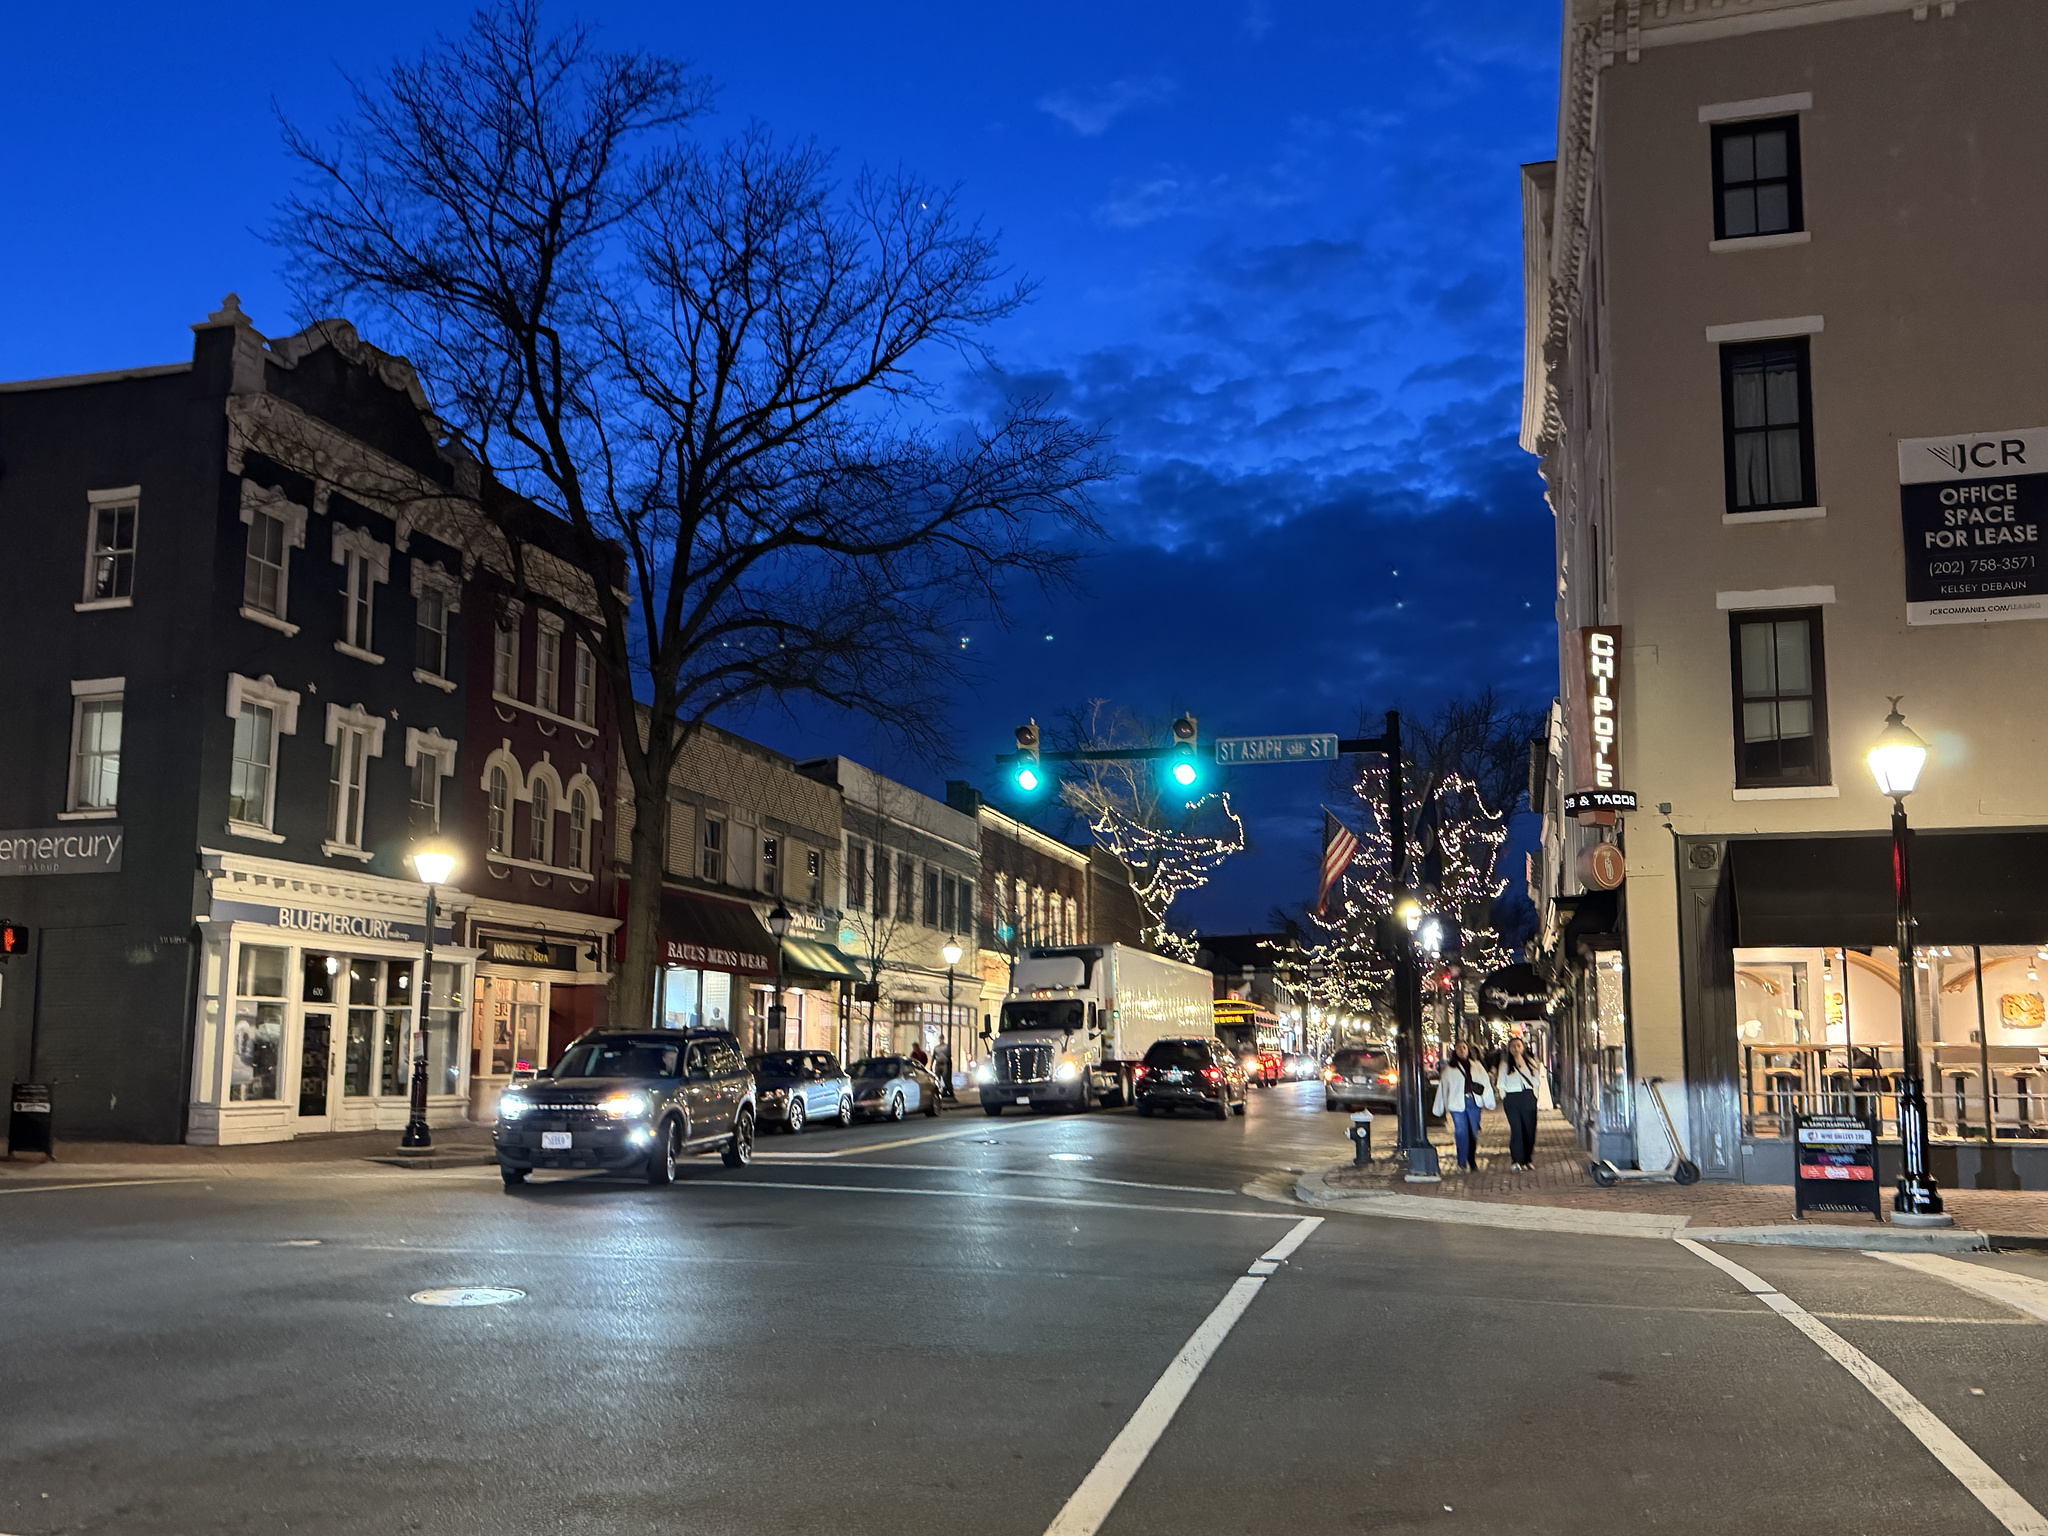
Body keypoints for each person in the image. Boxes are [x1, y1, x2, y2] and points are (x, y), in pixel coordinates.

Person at [1431, 1042, 1495, 1171]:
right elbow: (1443, 1088)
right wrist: (1440, 1107)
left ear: (1468, 1050)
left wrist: (1489, 1101)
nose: (1462, 1050)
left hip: (1473, 1102)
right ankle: (1461, 1161)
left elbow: (1485, 1083)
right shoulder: (1449, 1069)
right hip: (1457, 1104)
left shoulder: (1477, 1066)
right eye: (1458, 1048)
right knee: (1461, 1132)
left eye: (1464, 1047)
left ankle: (1471, 1159)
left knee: (1473, 1132)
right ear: (1455, 1051)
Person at [1496, 1037, 1542, 1171]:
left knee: (1529, 1129)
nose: (1516, 1049)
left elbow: (1536, 1081)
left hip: (1527, 1097)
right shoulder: (1505, 1065)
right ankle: (1516, 1159)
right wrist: (1505, 1098)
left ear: (1523, 1047)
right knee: (1517, 1130)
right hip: (1512, 1098)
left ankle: (1527, 1159)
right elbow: (1501, 1084)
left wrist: (1534, 1095)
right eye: (1513, 1046)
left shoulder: (1530, 1062)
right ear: (1509, 1049)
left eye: (1518, 1046)